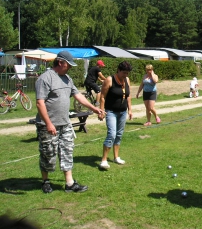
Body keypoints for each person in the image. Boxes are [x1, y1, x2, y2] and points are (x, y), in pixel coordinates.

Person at [35, 51, 104, 193]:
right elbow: (40, 103)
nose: (70, 68)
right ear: (60, 62)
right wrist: (48, 123)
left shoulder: (67, 78)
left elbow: (78, 96)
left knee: (67, 151)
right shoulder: (45, 79)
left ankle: (70, 183)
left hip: (65, 123)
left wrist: (94, 108)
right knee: (48, 153)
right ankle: (45, 181)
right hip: (48, 125)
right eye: (68, 65)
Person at [98, 61, 133, 169]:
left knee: (119, 134)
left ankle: (116, 157)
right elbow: (102, 97)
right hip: (111, 112)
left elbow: (128, 96)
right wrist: (102, 111)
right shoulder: (109, 80)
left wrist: (130, 110)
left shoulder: (127, 80)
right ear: (118, 70)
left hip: (122, 112)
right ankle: (104, 160)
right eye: (124, 73)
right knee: (112, 134)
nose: (125, 75)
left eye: (127, 73)